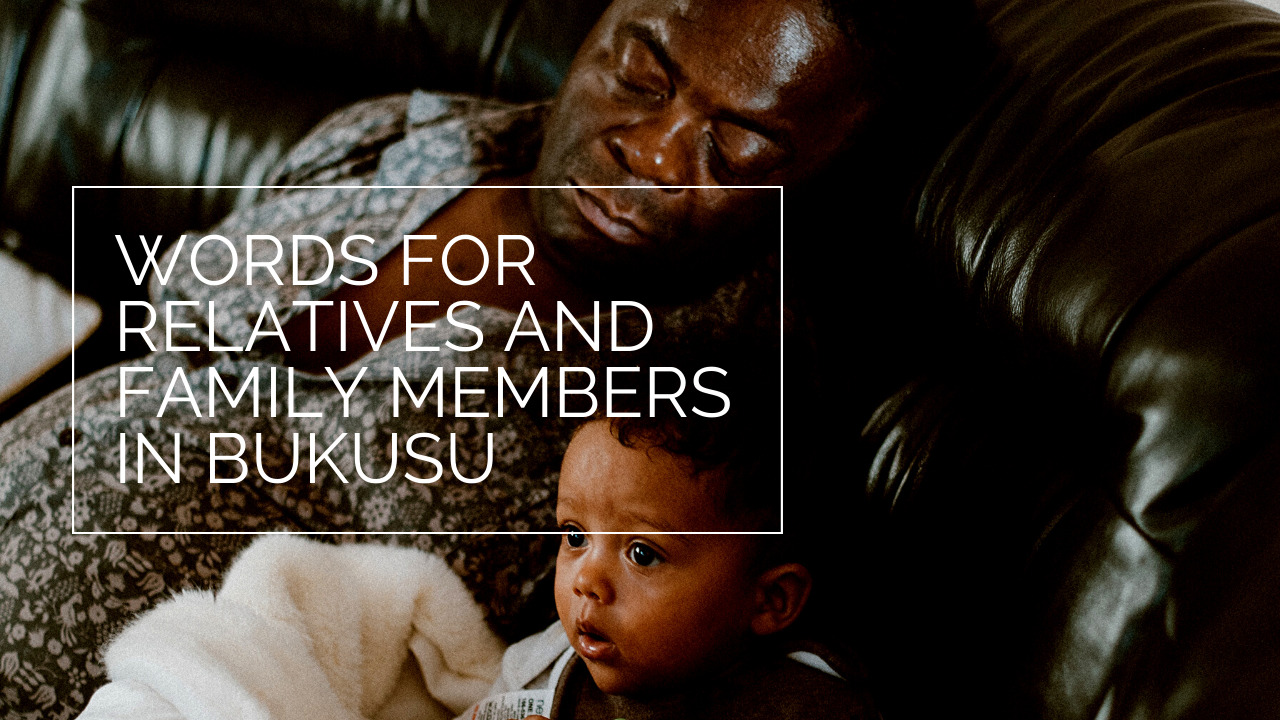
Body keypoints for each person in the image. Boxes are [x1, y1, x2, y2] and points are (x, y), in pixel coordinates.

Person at [0, 0, 913, 715]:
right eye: (641, 75)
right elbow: (141, 346)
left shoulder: (710, 417)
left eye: (736, 150)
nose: (653, 151)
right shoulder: (410, 134)